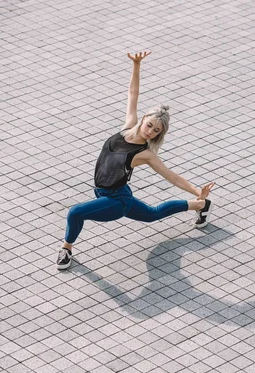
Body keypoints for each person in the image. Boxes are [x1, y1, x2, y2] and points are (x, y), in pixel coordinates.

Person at [56, 51, 215, 270]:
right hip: (105, 193)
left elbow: (173, 177)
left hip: (117, 201)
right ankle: (199, 206)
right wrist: (137, 65)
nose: (151, 132)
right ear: (143, 120)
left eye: (156, 131)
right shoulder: (128, 125)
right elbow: (133, 92)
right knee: (153, 214)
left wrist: (197, 189)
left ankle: (66, 249)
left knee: (75, 212)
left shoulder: (145, 154)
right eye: (150, 125)